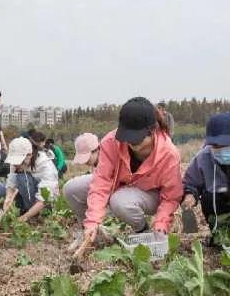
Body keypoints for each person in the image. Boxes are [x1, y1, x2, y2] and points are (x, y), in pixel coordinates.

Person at [65, 97, 183, 246]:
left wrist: (161, 225)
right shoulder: (111, 142)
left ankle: (142, 230)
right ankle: (92, 234)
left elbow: (171, 197)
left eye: (136, 139)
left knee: (119, 201)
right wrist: (92, 221)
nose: (130, 143)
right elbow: (101, 182)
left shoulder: (168, 153)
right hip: (119, 184)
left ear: (153, 130)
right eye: (127, 137)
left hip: (150, 195)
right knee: (71, 189)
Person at [0, 137, 59, 221]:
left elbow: (44, 199)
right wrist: (8, 198)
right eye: (14, 162)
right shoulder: (15, 164)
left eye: (19, 162)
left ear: (29, 155)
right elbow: (11, 184)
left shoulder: (46, 166)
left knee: (22, 177)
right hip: (21, 196)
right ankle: (13, 210)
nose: (16, 165)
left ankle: (31, 214)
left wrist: (24, 217)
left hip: (40, 204)